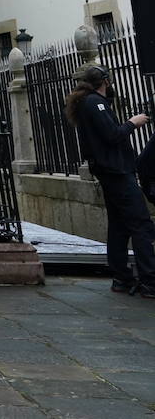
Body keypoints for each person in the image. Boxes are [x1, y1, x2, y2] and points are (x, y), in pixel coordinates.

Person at [67, 64, 155, 296]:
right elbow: (112, 135)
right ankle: (149, 280)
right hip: (116, 172)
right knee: (141, 223)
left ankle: (122, 278)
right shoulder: (95, 103)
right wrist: (132, 123)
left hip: (110, 172)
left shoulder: (89, 103)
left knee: (119, 226)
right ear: (105, 81)